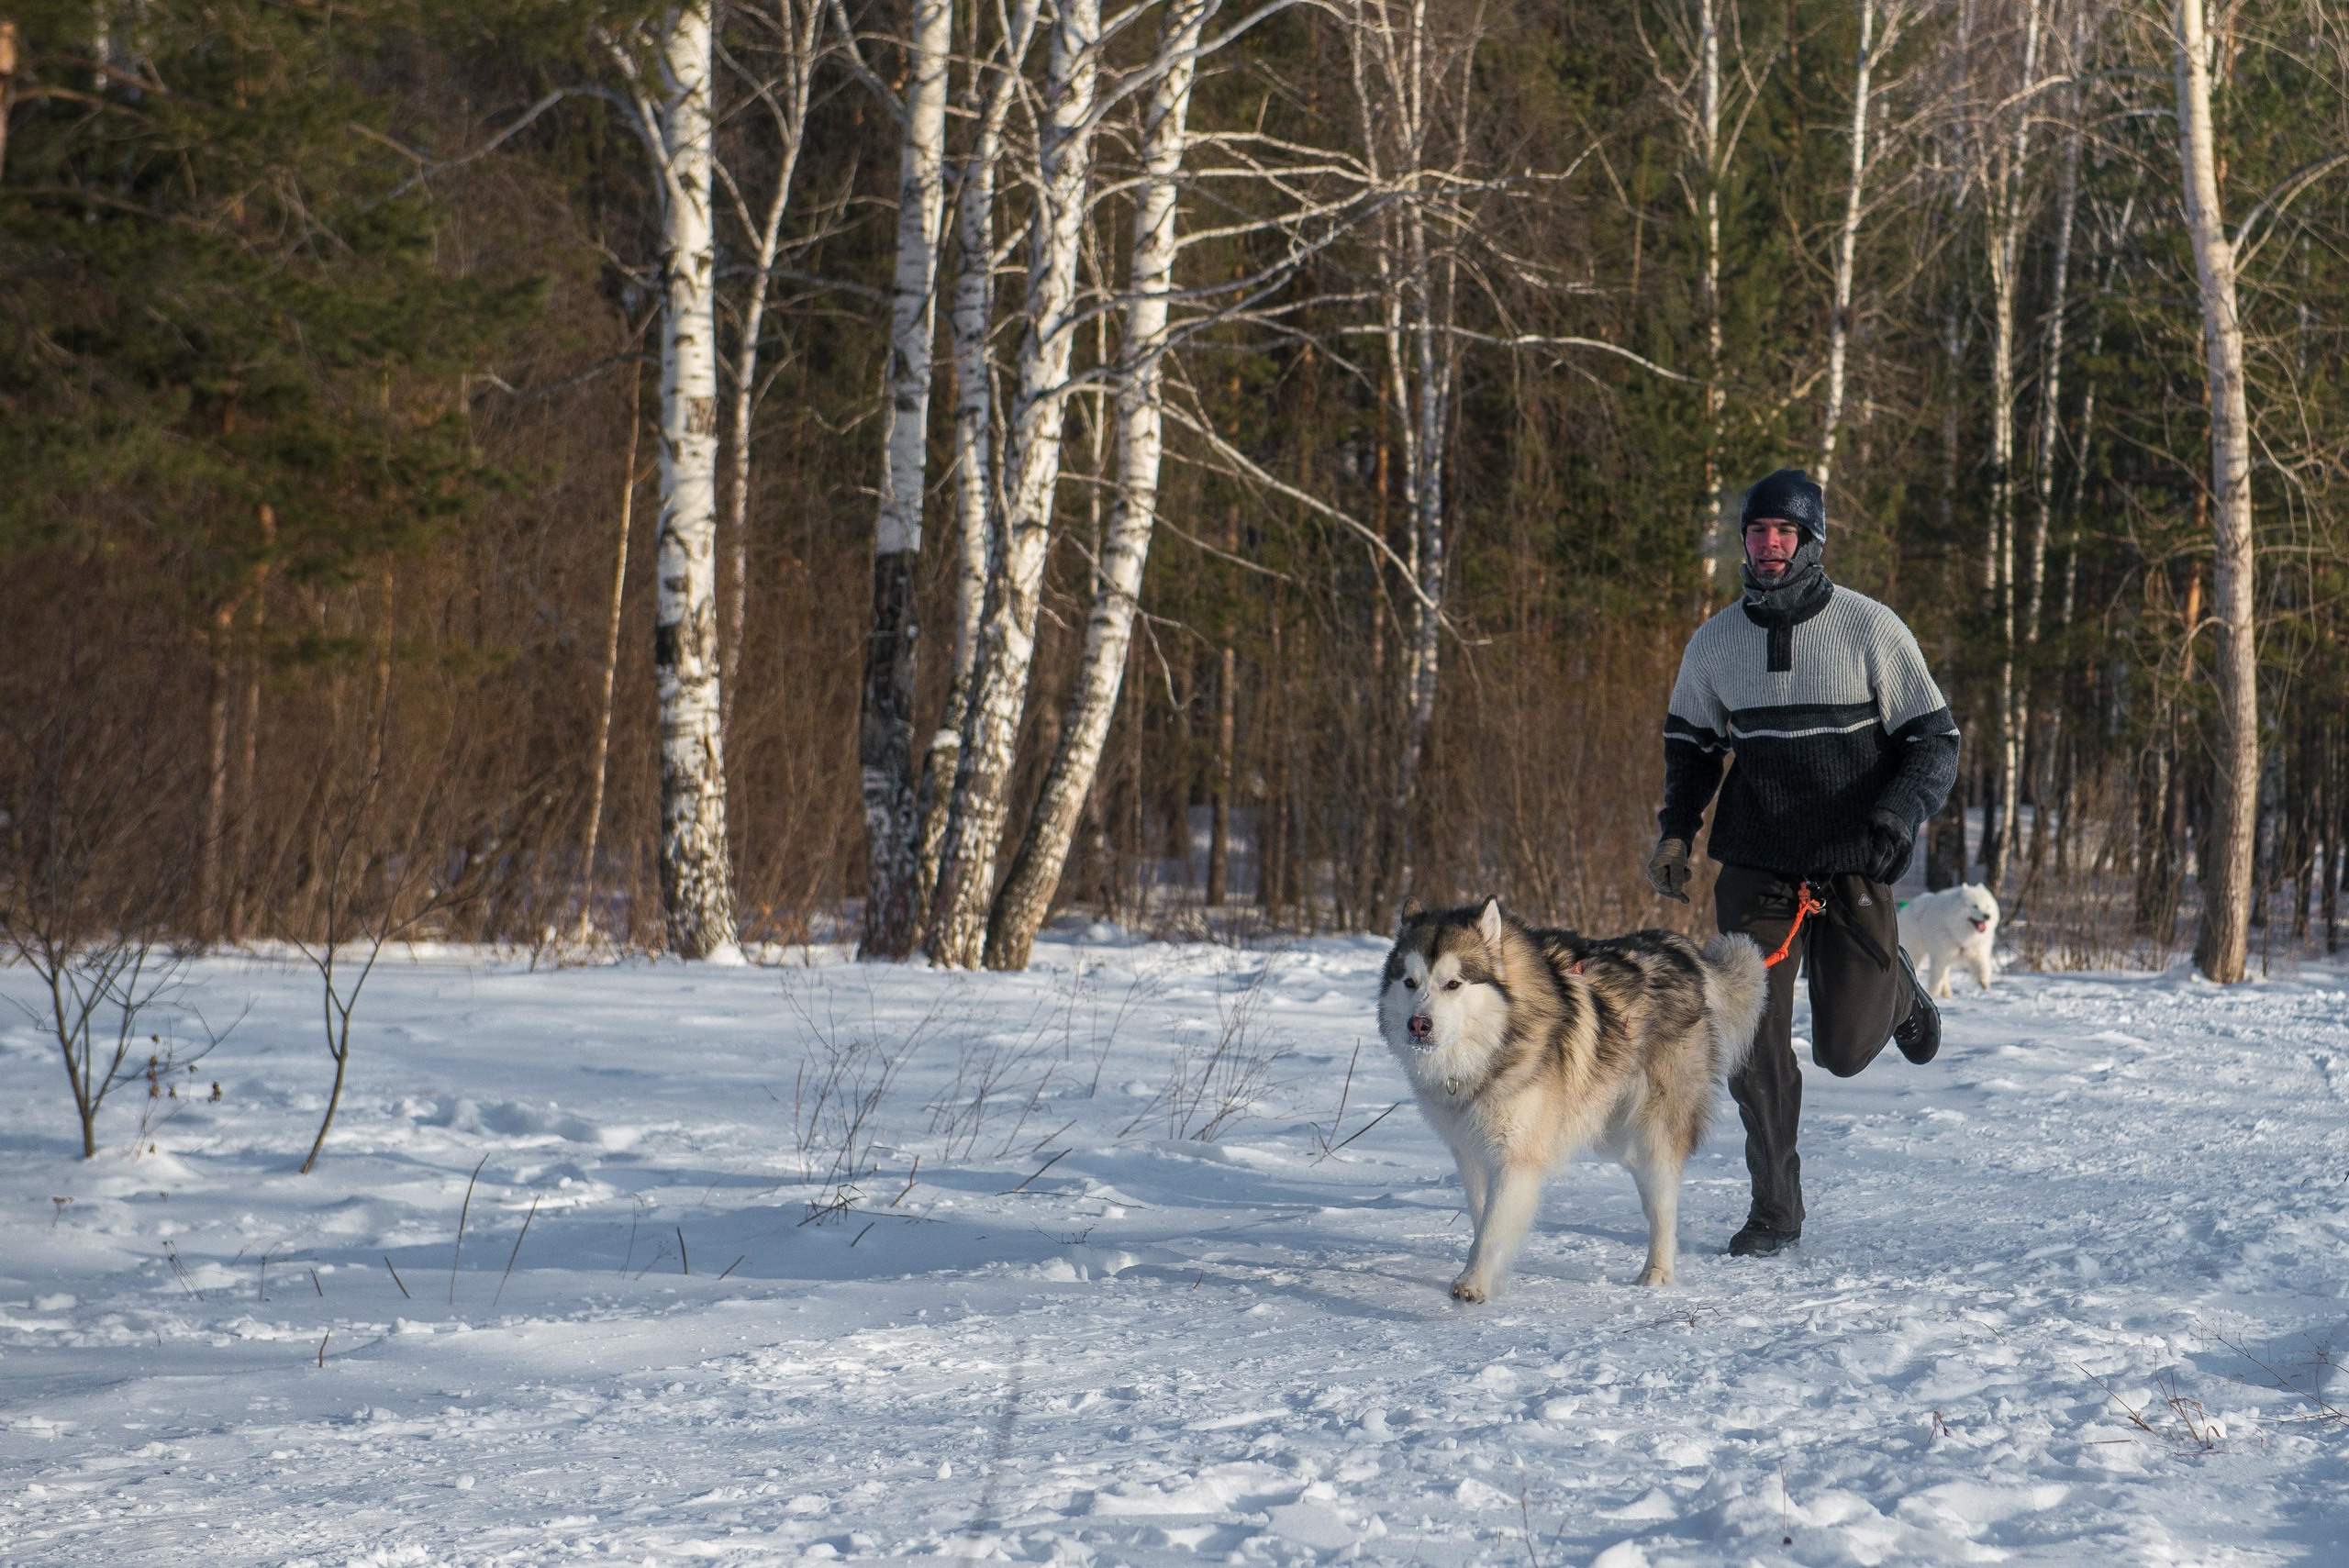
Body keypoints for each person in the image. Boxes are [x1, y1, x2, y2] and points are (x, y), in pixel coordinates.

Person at [1644, 468, 1959, 1258]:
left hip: (1853, 858)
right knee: (1751, 1042)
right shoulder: (1715, 643)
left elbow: (1935, 741)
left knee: (1843, 1051)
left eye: (1786, 531)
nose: (1770, 544)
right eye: (1758, 531)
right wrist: (1677, 834)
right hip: (1758, 864)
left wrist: (1896, 814)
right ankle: (1775, 1208)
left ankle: (1897, 992)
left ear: (1813, 541)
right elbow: (1691, 749)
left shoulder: (1869, 628)